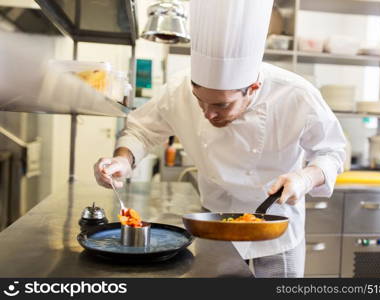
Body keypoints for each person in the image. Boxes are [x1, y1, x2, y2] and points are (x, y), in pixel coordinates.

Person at [94, 0, 346, 277]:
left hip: (276, 224)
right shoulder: (179, 86)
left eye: (221, 106)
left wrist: (305, 178)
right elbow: (141, 130)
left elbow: (332, 152)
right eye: (199, 100)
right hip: (215, 220)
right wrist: (122, 160)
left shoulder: (296, 94)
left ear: (253, 88)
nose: (207, 114)